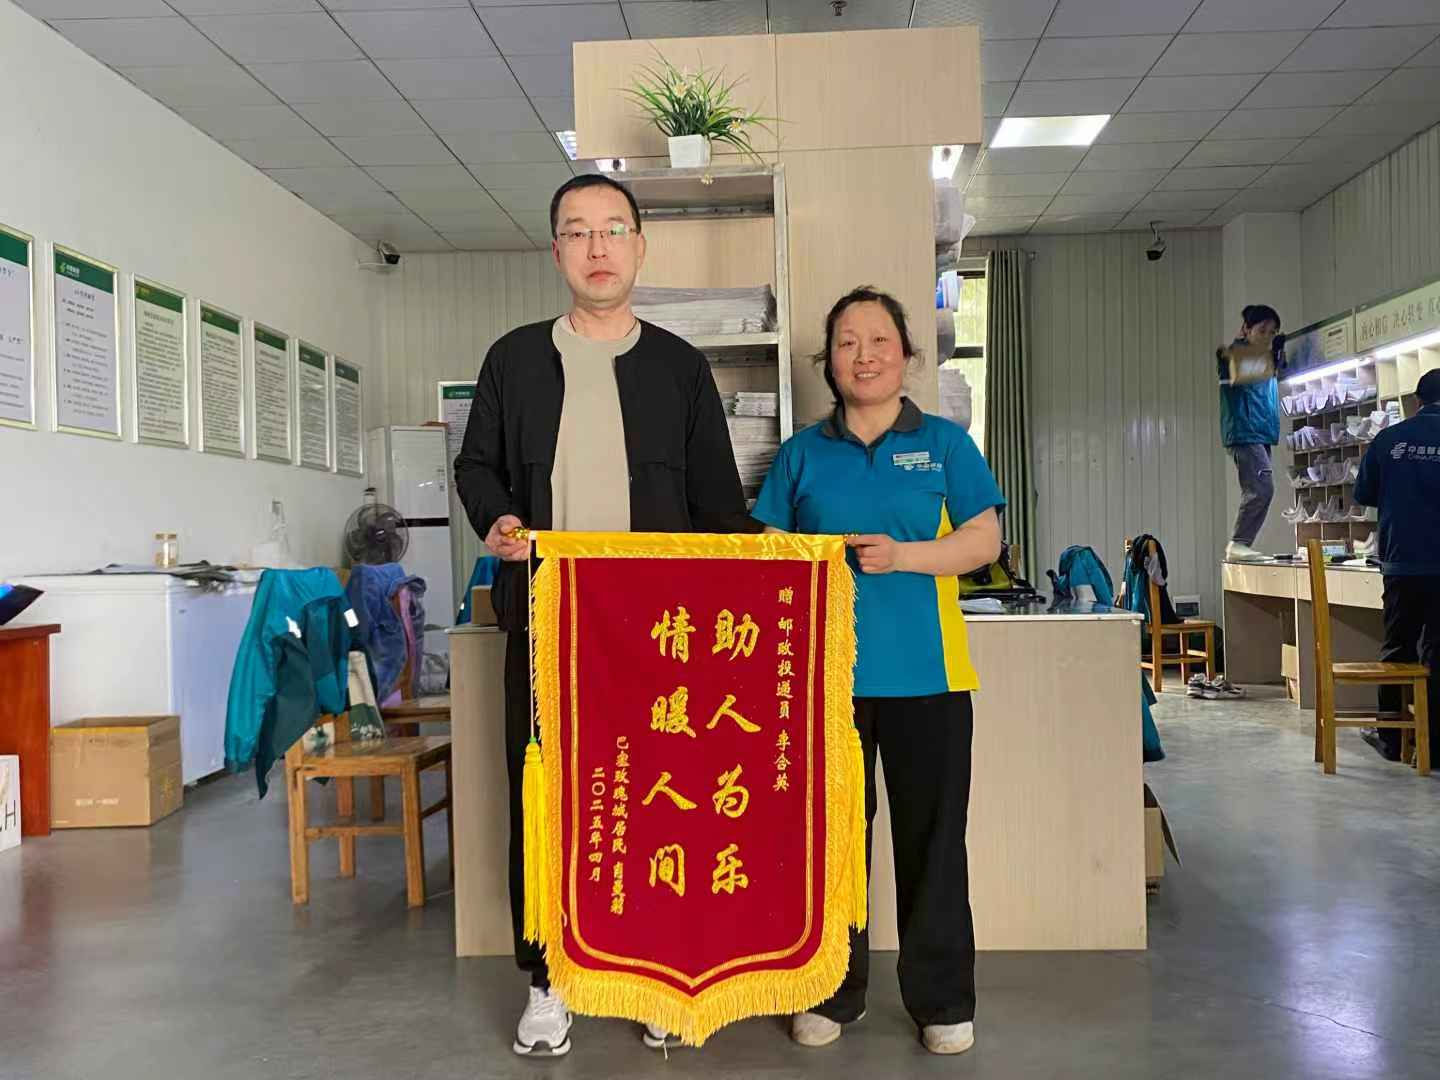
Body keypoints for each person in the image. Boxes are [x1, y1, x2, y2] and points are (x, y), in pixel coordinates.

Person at [454, 173, 753, 1058]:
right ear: (557, 251)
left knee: (657, 801)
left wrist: (789, 564)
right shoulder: (513, 360)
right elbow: (476, 467)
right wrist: (497, 519)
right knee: (546, 799)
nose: (597, 247)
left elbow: (720, 508)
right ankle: (548, 982)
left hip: (658, 636)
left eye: (613, 229)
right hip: (549, 625)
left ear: (638, 247)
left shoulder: (679, 367)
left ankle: (653, 976)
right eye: (578, 231)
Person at [752, 286, 1004, 1057]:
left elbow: (984, 541)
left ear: (906, 355)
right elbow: (767, 554)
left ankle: (942, 1001)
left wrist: (903, 557)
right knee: (831, 845)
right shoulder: (802, 453)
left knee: (934, 844)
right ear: (828, 361)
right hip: (824, 685)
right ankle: (831, 990)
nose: (864, 356)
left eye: (879, 341)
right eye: (847, 342)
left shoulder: (947, 445)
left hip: (930, 679)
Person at [1352, 367, 1440, 763]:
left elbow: (1365, 494)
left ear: (1417, 401)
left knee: (1398, 648)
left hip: (1402, 563)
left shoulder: (1389, 439)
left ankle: (1391, 737)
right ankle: (1433, 746)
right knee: (1438, 651)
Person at [1217, 304, 1286, 562]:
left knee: (1261, 488)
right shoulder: (1234, 356)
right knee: (1262, 489)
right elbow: (1240, 372)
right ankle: (1239, 543)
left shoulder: (1262, 359)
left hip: (1260, 433)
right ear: (1246, 329)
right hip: (1245, 433)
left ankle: (1241, 544)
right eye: (1262, 330)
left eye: (1272, 332)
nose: (1267, 336)